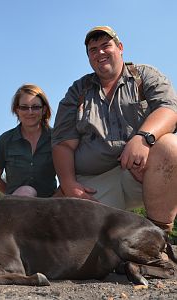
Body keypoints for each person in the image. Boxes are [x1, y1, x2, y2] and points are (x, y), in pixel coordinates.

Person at [52, 26, 177, 234]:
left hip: (142, 173)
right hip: (94, 184)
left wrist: (143, 138)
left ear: (120, 48)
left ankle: (158, 237)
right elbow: (63, 143)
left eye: (105, 46)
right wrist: (68, 183)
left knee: (171, 147)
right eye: (93, 50)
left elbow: (169, 109)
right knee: (59, 233)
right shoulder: (77, 90)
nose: (100, 53)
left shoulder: (144, 75)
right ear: (89, 58)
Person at [0, 83, 57, 197]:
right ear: (17, 110)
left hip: (50, 207)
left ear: (44, 109)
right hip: (17, 209)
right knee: (26, 191)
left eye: (35, 107)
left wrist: (53, 202)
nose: (30, 112)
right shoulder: (5, 140)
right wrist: (14, 198)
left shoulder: (57, 139)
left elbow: (69, 178)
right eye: (24, 107)